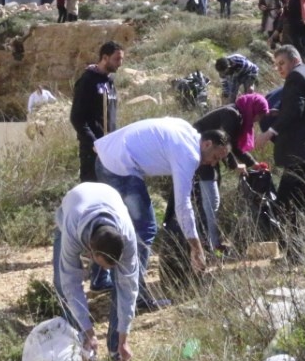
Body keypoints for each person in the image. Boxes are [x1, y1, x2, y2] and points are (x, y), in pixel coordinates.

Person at [94, 118, 231, 308]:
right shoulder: (189, 154)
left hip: (109, 157)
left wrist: (104, 145)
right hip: (118, 168)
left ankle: (109, 281)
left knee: (125, 227)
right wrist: (196, 247)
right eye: (215, 157)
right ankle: (135, 296)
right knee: (144, 228)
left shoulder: (186, 129)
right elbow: (182, 205)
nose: (212, 164)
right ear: (207, 144)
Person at [255, 45, 305, 258]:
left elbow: (295, 111)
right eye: (276, 65)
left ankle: (296, 255)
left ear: (294, 60)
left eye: (281, 63)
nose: (279, 69)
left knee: (287, 202)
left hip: (304, 154)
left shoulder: (297, 77)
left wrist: (269, 132)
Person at [52, 182, 139, 361]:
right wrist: (89, 331)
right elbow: (71, 283)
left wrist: (125, 338)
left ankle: (117, 350)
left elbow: (128, 288)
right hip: (73, 206)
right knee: (60, 282)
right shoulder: (72, 230)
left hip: (109, 197)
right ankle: (78, 346)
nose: (108, 271)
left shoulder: (127, 237)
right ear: (90, 253)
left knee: (121, 284)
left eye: (111, 267)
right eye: (103, 265)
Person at [70, 41, 124, 292]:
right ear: (104, 57)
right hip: (94, 153)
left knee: (109, 205)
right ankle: (96, 270)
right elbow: (78, 118)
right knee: (96, 208)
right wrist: (93, 144)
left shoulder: (109, 83)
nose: (119, 64)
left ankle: (103, 266)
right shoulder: (88, 81)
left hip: (110, 151)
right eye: (116, 59)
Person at [191, 93, 270, 252]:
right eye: (257, 116)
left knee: (210, 201)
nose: (256, 121)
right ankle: (210, 246)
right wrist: (235, 165)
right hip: (200, 155)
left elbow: (232, 146)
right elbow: (226, 145)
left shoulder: (237, 114)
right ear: (252, 109)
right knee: (211, 201)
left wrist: (253, 164)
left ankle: (211, 243)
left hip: (208, 156)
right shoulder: (232, 115)